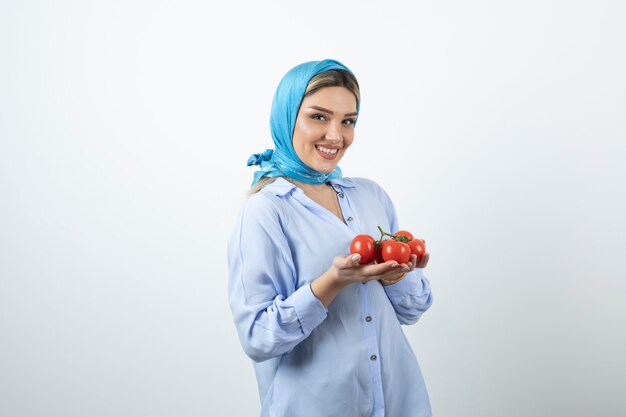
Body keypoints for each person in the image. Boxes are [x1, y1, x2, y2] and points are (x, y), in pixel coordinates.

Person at [227, 59, 433, 417]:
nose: (336, 136)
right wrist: (331, 283)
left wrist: (397, 275)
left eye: (348, 121)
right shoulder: (265, 211)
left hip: (399, 402)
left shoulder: (372, 196)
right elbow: (258, 338)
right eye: (319, 117)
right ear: (287, 116)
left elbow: (411, 310)